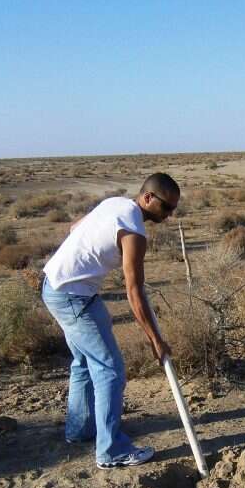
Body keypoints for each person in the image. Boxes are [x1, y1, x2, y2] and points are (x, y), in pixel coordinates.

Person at [41, 173, 179, 469]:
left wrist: (86, 258)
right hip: (72, 296)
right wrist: (156, 340)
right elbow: (134, 291)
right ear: (148, 198)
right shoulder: (133, 232)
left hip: (55, 286)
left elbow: (75, 227)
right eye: (167, 208)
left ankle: (80, 431)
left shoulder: (115, 203)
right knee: (110, 370)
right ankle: (111, 450)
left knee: (83, 362)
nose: (169, 216)